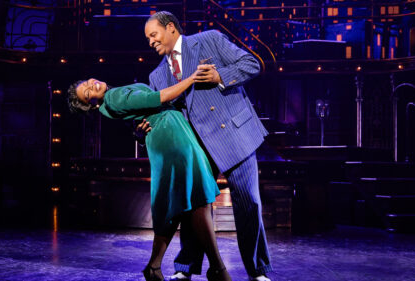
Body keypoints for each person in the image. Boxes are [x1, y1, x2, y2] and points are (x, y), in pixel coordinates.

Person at [142, 11, 272, 281]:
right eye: (148, 39)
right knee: (194, 206)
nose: (151, 42)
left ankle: (258, 270)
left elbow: (252, 64)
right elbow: (162, 116)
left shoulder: (209, 40)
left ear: (171, 29)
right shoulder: (156, 77)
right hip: (198, 146)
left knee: (249, 202)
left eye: (154, 35)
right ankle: (186, 267)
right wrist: (142, 127)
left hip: (234, 134)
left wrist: (220, 75)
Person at [67, 73, 232, 281]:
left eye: (87, 83)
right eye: (87, 93)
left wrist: (139, 129)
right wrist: (193, 79)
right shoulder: (113, 98)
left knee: (183, 204)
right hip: (171, 139)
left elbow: (141, 111)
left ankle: (155, 266)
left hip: (171, 133)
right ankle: (217, 268)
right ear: (91, 105)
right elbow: (160, 98)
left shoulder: (110, 99)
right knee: (198, 200)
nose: (91, 85)